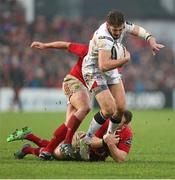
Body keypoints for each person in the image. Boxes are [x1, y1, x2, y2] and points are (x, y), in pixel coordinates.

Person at [82, 10, 165, 142]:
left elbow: (138, 30)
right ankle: (87, 139)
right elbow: (103, 65)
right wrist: (125, 60)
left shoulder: (122, 26)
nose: (118, 32)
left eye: (120, 29)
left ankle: (109, 137)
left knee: (120, 108)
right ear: (108, 25)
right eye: (115, 30)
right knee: (109, 109)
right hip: (94, 71)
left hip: (111, 69)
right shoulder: (104, 37)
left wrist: (151, 40)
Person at [29, 41, 91, 160]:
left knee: (69, 125)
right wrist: (45, 45)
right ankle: (67, 143)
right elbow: (66, 45)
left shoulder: (109, 58)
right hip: (74, 82)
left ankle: (43, 149)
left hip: (84, 90)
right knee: (84, 107)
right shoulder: (87, 50)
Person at [7, 110, 133, 163]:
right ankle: (27, 149)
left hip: (91, 157)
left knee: (53, 148)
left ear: (126, 124)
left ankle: (29, 136)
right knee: (55, 154)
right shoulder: (105, 122)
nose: (114, 122)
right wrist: (106, 142)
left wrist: (111, 145)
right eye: (114, 119)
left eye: (118, 121)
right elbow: (88, 140)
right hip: (81, 144)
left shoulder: (127, 133)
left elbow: (121, 158)